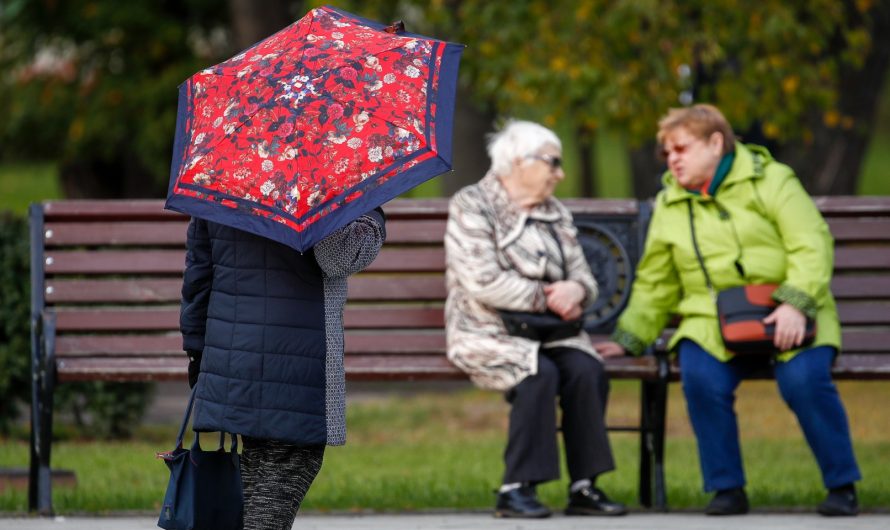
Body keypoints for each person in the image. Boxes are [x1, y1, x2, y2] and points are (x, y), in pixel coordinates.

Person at [595, 104, 861, 516]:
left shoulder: (771, 180)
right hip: (711, 320)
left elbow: (811, 244)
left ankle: (842, 484)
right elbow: (656, 282)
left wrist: (795, 302)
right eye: (667, 153)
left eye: (681, 148)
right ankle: (727, 488)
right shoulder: (671, 203)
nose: (673, 160)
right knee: (702, 378)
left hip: (790, 311)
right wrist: (629, 339)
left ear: (716, 143)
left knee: (803, 380)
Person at [444, 120, 627, 519]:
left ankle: (584, 486)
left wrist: (577, 291)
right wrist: (548, 296)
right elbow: (481, 280)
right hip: (487, 330)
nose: (560, 174)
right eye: (553, 163)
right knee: (537, 373)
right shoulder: (472, 204)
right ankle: (515, 489)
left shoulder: (554, 213)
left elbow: (584, 279)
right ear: (518, 161)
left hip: (552, 332)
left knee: (585, 369)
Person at [180, 209, 385, 530]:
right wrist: (373, 218)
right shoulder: (316, 174)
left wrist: (197, 351)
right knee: (291, 462)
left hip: (234, 356)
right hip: (294, 357)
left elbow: (198, 271)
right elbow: (336, 258)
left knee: (261, 470)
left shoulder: (221, 173)